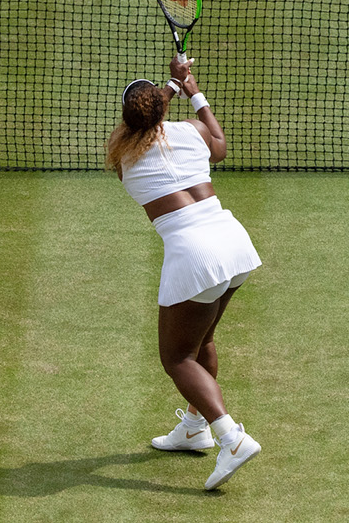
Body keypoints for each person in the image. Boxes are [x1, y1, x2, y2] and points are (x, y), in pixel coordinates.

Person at [106, 55, 263, 490]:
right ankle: (194, 429)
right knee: (201, 340)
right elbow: (220, 145)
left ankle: (231, 437)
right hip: (233, 242)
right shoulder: (193, 132)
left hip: (196, 256)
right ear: (162, 108)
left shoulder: (123, 159)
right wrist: (192, 90)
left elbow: (140, 125)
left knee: (176, 358)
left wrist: (170, 88)